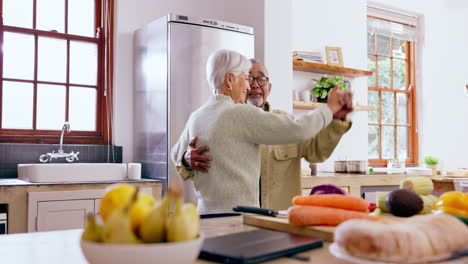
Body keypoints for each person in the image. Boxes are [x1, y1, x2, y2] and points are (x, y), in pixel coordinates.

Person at [171, 49, 351, 214]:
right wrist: (187, 159)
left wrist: (335, 120)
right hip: (241, 220)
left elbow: (315, 152)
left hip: (269, 218)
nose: (251, 86)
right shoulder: (240, 114)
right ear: (230, 80)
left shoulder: (198, 115)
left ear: (269, 88)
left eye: (261, 79)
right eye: (247, 78)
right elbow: (178, 156)